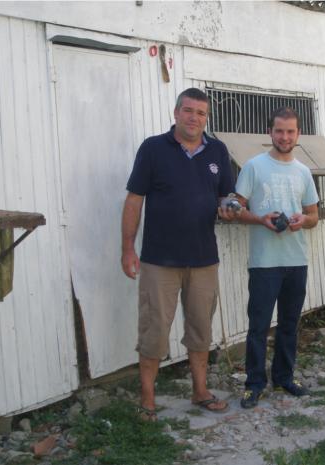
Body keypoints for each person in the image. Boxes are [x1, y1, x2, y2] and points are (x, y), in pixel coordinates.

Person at [121, 87, 234, 420]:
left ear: (206, 118)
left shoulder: (218, 150)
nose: (194, 118)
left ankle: (200, 391)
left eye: (201, 113)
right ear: (175, 113)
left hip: (204, 259)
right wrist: (127, 248)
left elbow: (226, 196)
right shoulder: (153, 148)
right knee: (154, 330)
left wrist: (230, 207)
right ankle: (147, 399)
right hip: (160, 260)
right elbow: (134, 199)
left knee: (201, 330)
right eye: (188, 110)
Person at [231, 107, 319, 409]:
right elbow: (235, 209)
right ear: (270, 132)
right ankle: (254, 384)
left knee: (289, 324)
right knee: (258, 327)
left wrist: (302, 220)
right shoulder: (253, 167)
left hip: (296, 260)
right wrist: (260, 219)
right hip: (264, 262)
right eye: (279, 131)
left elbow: (314, 215)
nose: (284, 137)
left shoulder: (303, 172)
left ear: (298, 134)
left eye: (290, 131)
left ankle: (284, 377)